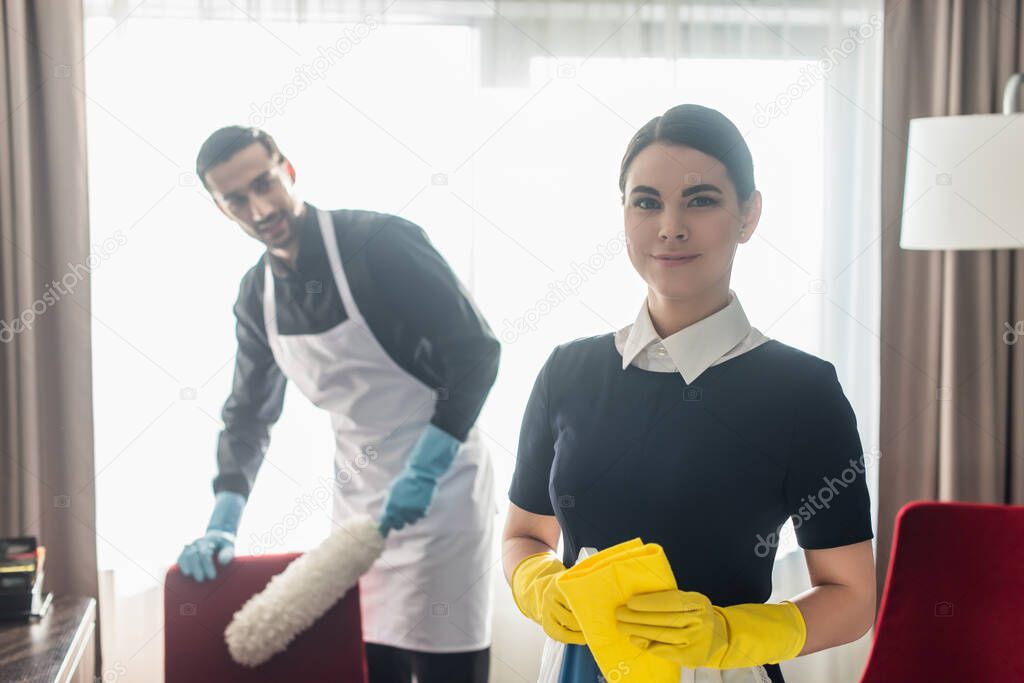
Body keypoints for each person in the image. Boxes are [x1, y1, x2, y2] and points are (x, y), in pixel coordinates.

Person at [502, 104, 876, 683]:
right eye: (646, 201)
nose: (670, 226)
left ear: (749, 216)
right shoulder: (567, 372)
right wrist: (536, 585)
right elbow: (524, 534)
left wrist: (730, 636)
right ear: (623, 215)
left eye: (701, 200)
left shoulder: (802, 391)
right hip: (577, 668)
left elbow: (852, 597)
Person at [175, 126, 499, 683]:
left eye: (265, 183)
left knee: (448, 667)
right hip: (359, 501)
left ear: (289, 170)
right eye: (236, 199)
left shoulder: (382, 243)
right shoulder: (257, 297)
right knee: (373, 665)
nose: (259, 207)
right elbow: (249, 413)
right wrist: (223, 519)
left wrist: (426, 467)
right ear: (221, 211)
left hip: (443, 493)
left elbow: (475, 353)